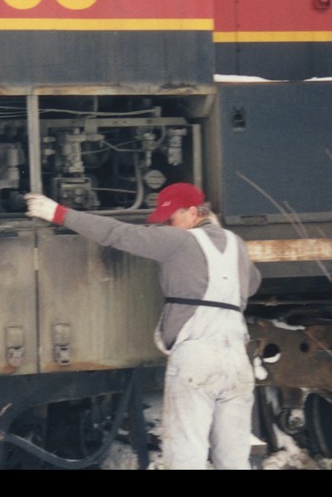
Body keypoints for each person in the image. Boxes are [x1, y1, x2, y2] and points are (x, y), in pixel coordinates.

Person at [24, 182, 262, 469]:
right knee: (235, 458)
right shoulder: (236, 244)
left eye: (171, 219)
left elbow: (118, 234)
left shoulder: (179, 241)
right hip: (237, 362)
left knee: (186, 454)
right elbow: (253, 284)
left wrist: (60, 213)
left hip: (197, 359)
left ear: (192, 212)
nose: (168, 226)